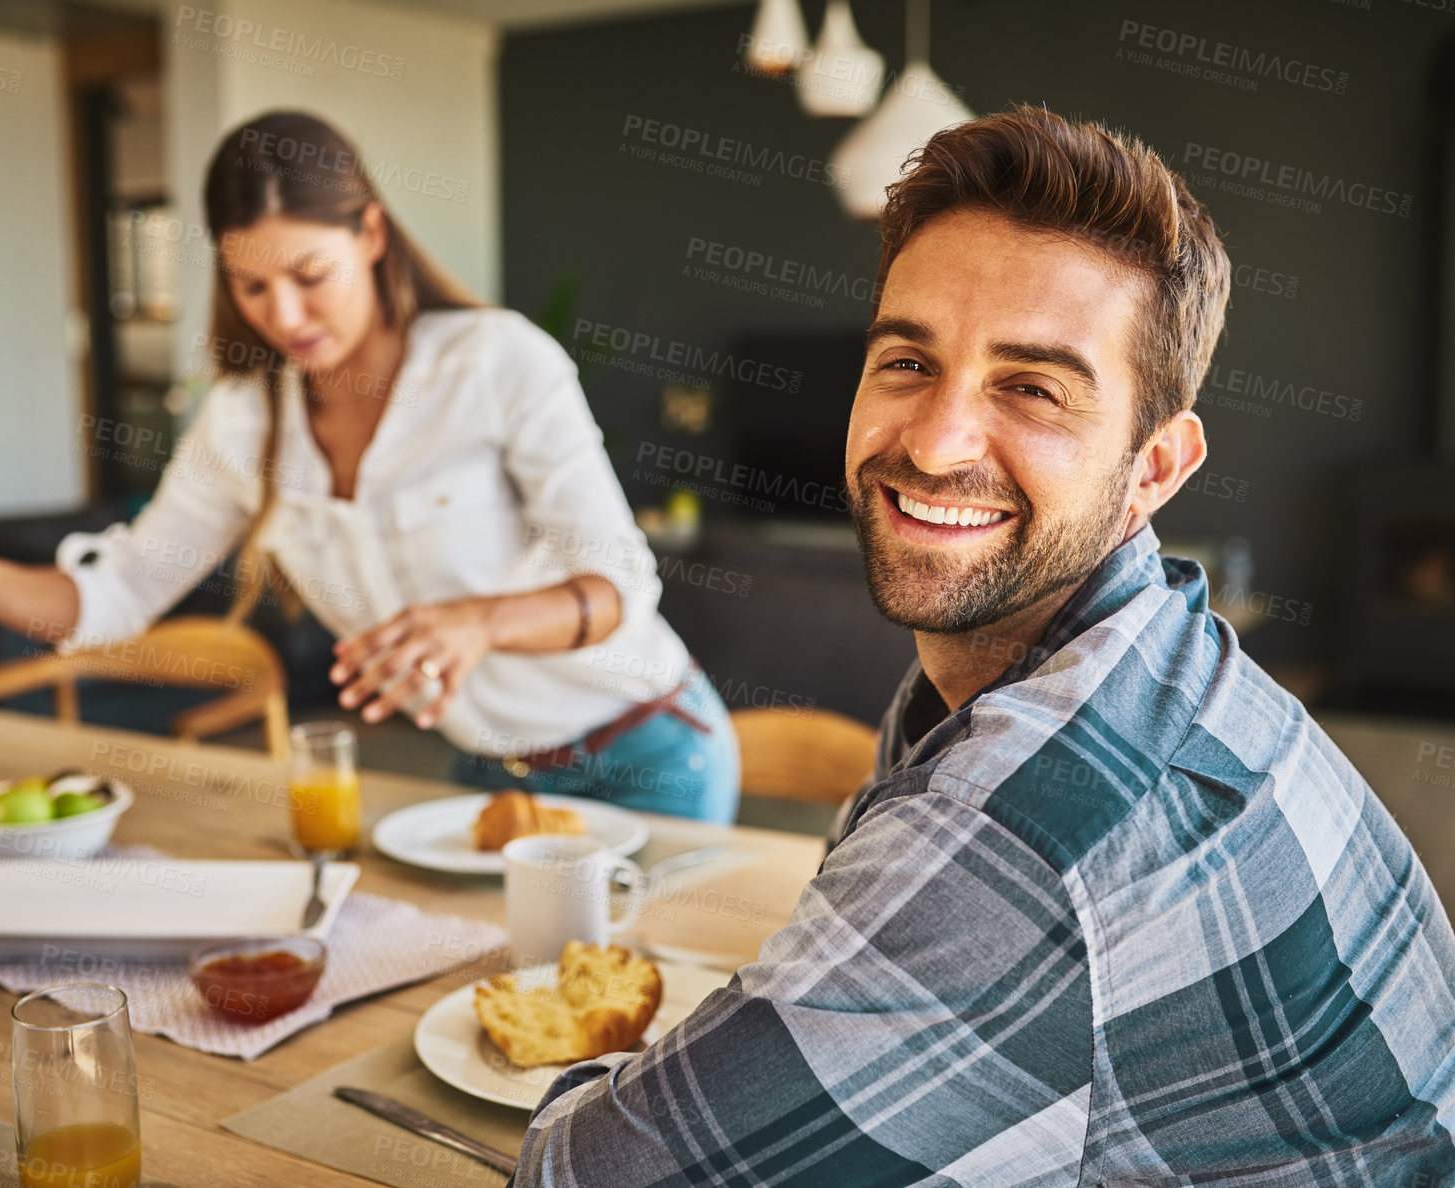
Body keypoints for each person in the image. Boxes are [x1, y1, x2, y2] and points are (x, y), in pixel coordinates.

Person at [509, 106, 1455, 1184]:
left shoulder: (1033, 813)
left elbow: (588, 1173)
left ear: (1155, 467)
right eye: (907, 361)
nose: (934, 439)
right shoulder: (1157, 649)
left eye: (1031, 387)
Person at [0, 110, 738, 823]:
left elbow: (622, 583)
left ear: (370, 234)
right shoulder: (245, 418)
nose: (284, 314)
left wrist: (476, 622)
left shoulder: (496, 361)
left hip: (649, 752)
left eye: (310, 274)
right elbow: (118, 594)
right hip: (491, 777)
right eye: (251, 286)